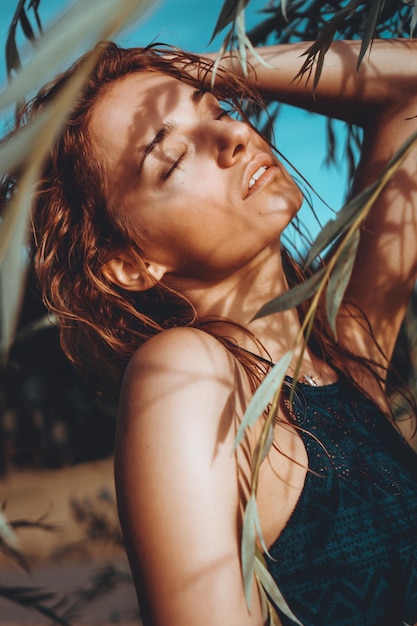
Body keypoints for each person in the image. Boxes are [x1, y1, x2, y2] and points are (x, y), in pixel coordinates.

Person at [3, 37, 417, 625]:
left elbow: (411, 91)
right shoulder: (189, 374)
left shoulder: (342, 346)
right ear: (129, 262)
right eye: (170, 160)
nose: (236, 137)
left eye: (220, 110)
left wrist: (209, 67)